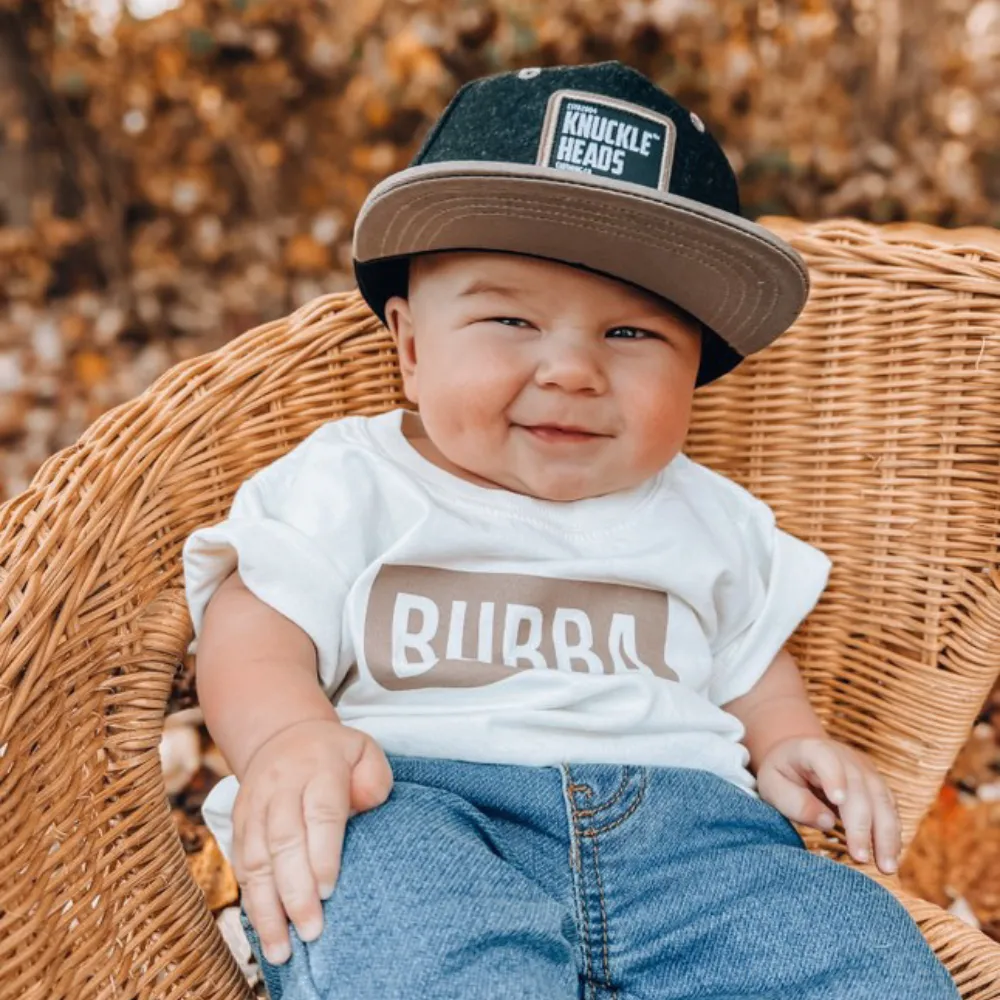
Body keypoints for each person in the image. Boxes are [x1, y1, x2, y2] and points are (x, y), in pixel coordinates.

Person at [183, 61, 958, 999]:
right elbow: (253, 624)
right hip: (418, 809)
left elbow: (750, 663)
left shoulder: (709, 515)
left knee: (856, 949)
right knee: (402, 941)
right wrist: (290, 736)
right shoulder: (351, 478)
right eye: (511, 318)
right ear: (412, 348)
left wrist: (789, 737)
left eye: (631, 337)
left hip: (698, 847)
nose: (574, 370)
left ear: (696, 372)